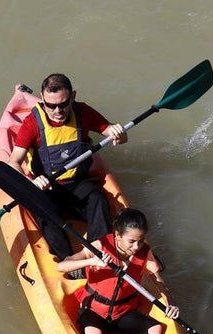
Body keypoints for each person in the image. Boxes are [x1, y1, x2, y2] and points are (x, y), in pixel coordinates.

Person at [57, 208, 180, 334]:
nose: (136, 246)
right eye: (132, 241)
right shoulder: (99, 246)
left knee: (155, 327)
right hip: (94, 310)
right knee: (92, 333)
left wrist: (170, 302)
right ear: (117, 235)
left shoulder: (144, 253)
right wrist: (92, 260)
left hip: (123, 311)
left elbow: (158, 280)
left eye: (140, 240)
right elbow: (62, 265)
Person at [7, 73, 128, 268]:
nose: (57, 111)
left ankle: (102, 256)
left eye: (62, 104)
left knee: (97, 200)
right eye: (50, 105)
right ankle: (69, 264)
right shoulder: (31, 124)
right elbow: (13, 162)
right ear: (42, 98)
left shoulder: (84, 113)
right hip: (47, 189)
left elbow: (115, 136)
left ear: (73, 97)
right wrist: (32, 182)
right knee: (46, 215)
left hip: (78, 183)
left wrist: (119, 133)